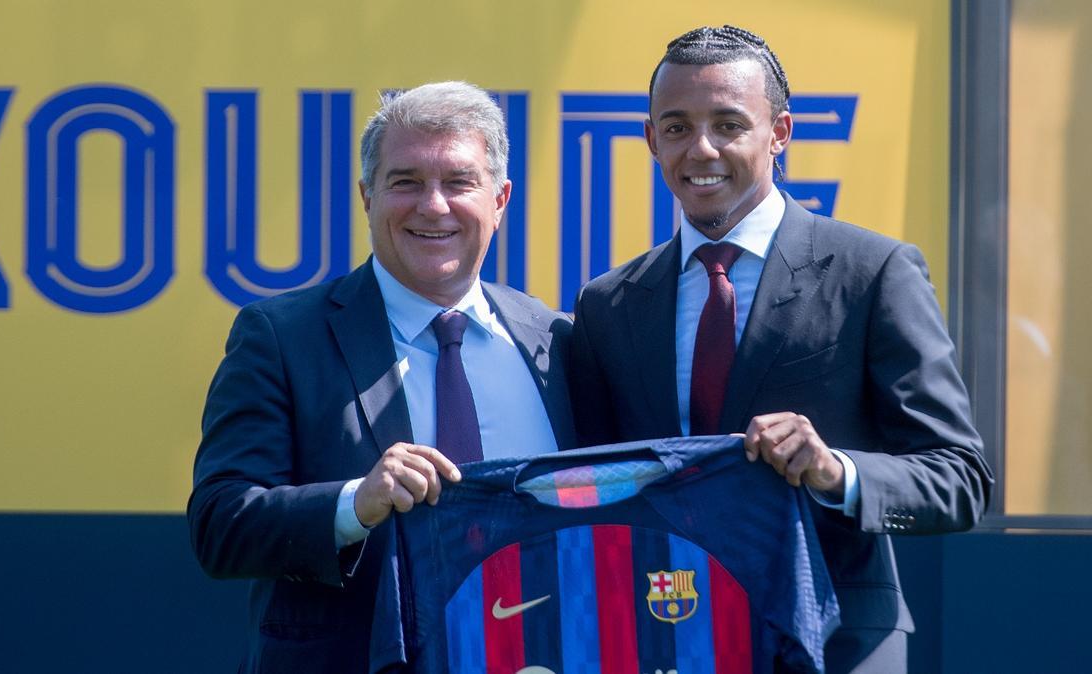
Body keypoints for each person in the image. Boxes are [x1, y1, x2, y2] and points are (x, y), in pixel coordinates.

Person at [568, 26, 993, 673]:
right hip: (663, 636)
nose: (701, 148)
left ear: (781, 132)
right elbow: (591, 489)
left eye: (729, 124)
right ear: (652, 141)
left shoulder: (872, 272)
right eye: (677, 128)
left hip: (837, 641)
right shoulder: (607, 305)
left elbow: (960, 482)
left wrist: (837, 473)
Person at [188, 81, 576, 673]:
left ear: (500, 200)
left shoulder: (557, 340)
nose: (434, 205)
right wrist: (355, 502)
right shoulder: (282, 336)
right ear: (367, 196)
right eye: (406, 182)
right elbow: (221, 523)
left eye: (459, 182)